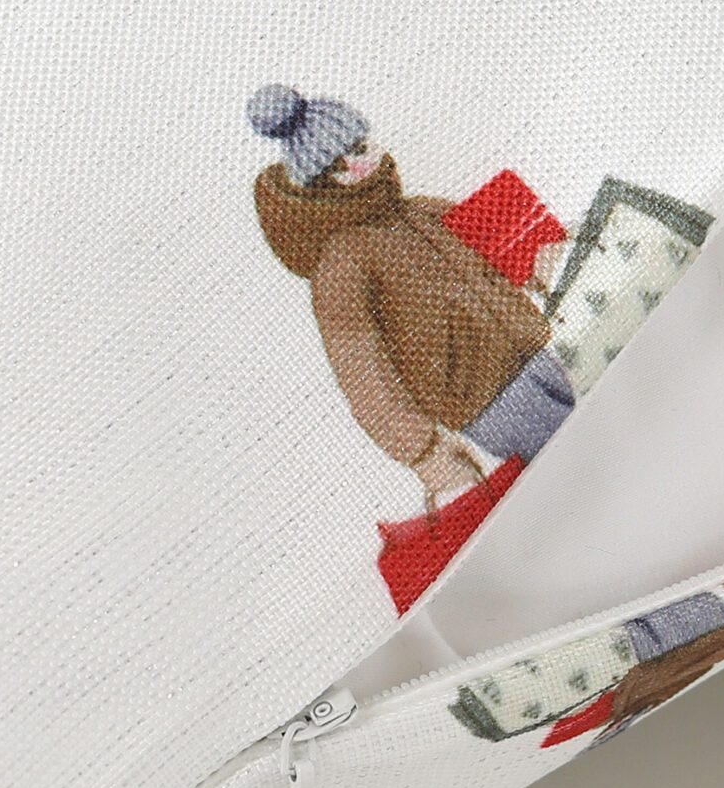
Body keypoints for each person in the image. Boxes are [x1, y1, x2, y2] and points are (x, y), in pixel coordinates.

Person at [246, 86, 576, 510]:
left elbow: (507, 247)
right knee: (580, 462)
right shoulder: (342, 263)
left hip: (537, 353)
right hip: (486, 399)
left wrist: (542, 256)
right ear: (323, 182)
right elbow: (361, 368)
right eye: (343, 162)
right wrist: (423, 449)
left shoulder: (420, 211)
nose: (364, 160)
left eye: (362, 145)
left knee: (603, 428)